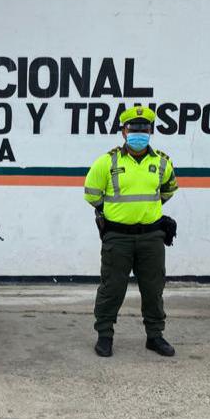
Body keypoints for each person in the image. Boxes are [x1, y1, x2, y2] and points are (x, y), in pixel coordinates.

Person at [84, 106, 179, 358]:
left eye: (144, 129)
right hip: (117, 237)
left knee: (153, 288)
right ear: (124, 132)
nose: (139, 133)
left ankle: (155, 336)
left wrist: (147, 211)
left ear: (151, 131)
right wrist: (116, 213)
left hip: (152, 236)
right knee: (112, 288)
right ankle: (105, 335)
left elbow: (168, 189)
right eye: (133, 129)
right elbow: (91, 194)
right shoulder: (107, 162)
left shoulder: (162, 162)